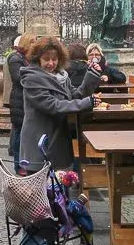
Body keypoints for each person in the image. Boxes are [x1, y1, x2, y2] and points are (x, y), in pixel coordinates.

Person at [19, 37, 104, 172]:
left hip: (59, 141)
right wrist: (87, 103)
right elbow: (53, 105)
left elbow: (75, 96)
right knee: (40, 191)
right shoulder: (31, 79)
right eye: (46, 59)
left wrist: (91, 76)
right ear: (37, 59)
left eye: (55, 59)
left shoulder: (62, 76)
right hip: (40, 141)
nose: (51, 63)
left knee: (61, 187)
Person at [6, 34, 35, 171]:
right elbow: (18, 78)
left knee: (26, 133)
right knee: (19, 132)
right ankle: (18, 165)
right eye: (33, 42)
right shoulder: (15, 58)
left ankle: (27, 162)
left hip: (27, 100)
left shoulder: (28, 59)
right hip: (19, 100)